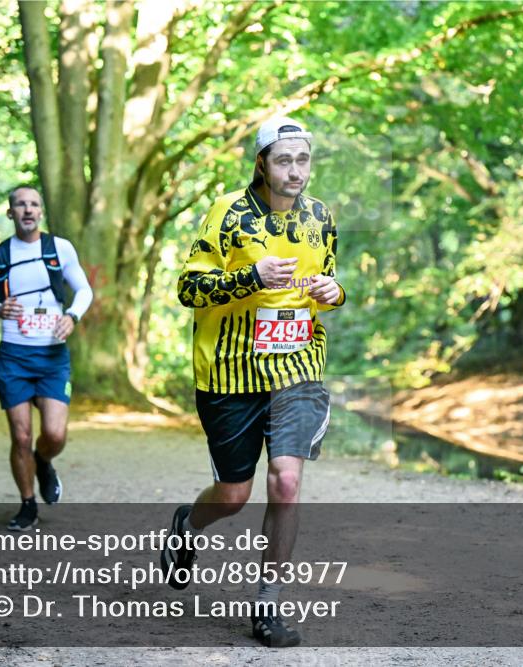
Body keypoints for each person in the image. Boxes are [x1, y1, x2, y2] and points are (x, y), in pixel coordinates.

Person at [164, 117, 346, 647]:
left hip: (297, 368)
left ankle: (268, 603)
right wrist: (252, 277)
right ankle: (186, 526)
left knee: (286, 480)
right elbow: (188, 288)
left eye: (303, 160)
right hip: (228, 371)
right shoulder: (227, 213)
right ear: (262, 162)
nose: (295, 171)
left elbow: (329, 284)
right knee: (235, 492)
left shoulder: (320, 218)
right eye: (284, 160)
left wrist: (334, 293)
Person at [0, 186, 93, 531]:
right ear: (10, 213)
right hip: (14, 356)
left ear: (40, 212)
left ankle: (43, 461)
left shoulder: (59, 249)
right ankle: (27, 504)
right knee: (20, 436)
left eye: (34, 204)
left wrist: (73, 316)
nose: (27, 209)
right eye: (20, 204)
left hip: (52, 356)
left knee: (54, 434)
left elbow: (84, 290)